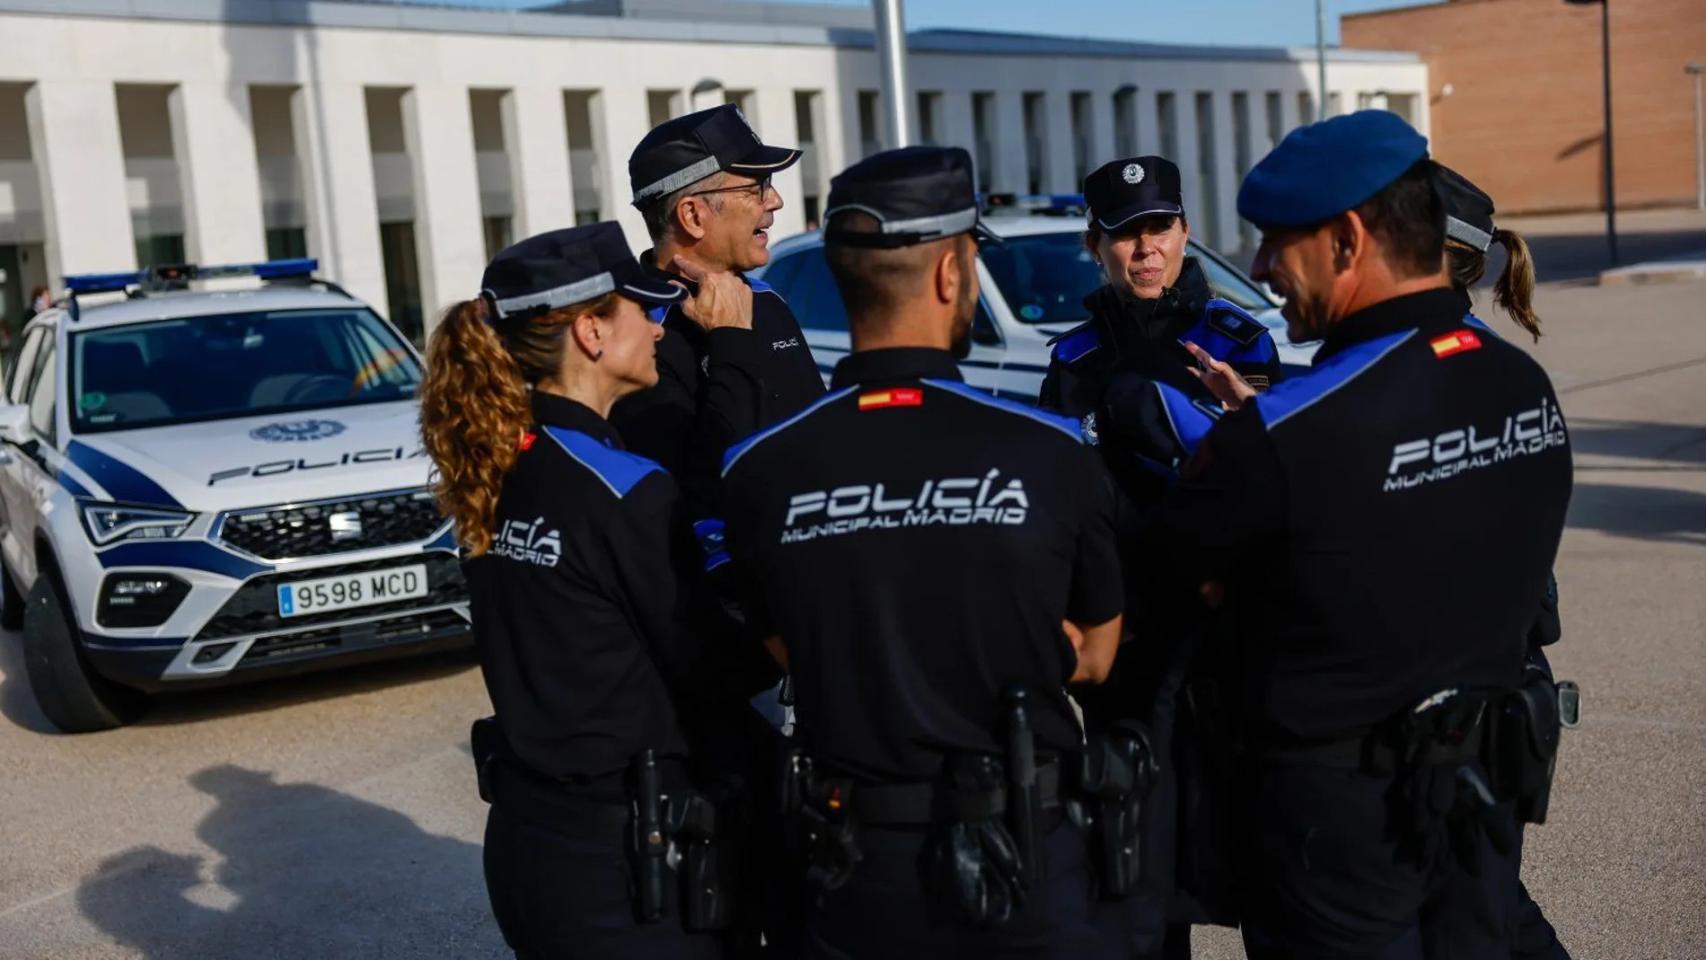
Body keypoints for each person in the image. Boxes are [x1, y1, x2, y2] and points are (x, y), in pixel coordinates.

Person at [1141, 111, 1573, 959]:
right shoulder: (1521, 384)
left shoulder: (1282, 435)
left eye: (1274, 243)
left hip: (1336, 833)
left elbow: (1158, 586)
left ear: (1345, 240)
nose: (1262, 269)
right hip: (1480, 798)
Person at [720, 146, 1128, 958]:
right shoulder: (1049, 450)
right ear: (952, 272)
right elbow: (1097, 656)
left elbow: (784, 647)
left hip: (853, 875)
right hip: (1024, 864)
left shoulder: (762, 468)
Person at [419, 223, 769, 959]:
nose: (656, 323)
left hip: (531, 842)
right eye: (640, 308)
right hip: (623, 861)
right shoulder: (623, 488)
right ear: (589, 331)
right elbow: (711, 666)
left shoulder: (493, 465)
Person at [1040, 156, 1286, 960]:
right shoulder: (1073, 362)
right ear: (1096, 245)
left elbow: (1264, 497)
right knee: (1138, 875)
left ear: (1184, 232)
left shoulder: (1237, 343)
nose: (1145, 250)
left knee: (1263, 860)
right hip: (1130, 644)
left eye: (1159, 230)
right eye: (1124, 236)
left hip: (1228, 643)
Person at [1434, 162, 1573, 960]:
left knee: (1476, 917)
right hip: (1504, 679)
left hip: (1470, 696)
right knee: (1489, 905)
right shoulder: (1490, 361)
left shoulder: (1458, 373)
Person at [613, 102, 826, 519]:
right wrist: (730, 341)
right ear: (692, 214)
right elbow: (698, 484)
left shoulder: (766, 299)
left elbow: (818, 435)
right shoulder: (635, 329)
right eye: (756, 187)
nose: (776, 201)